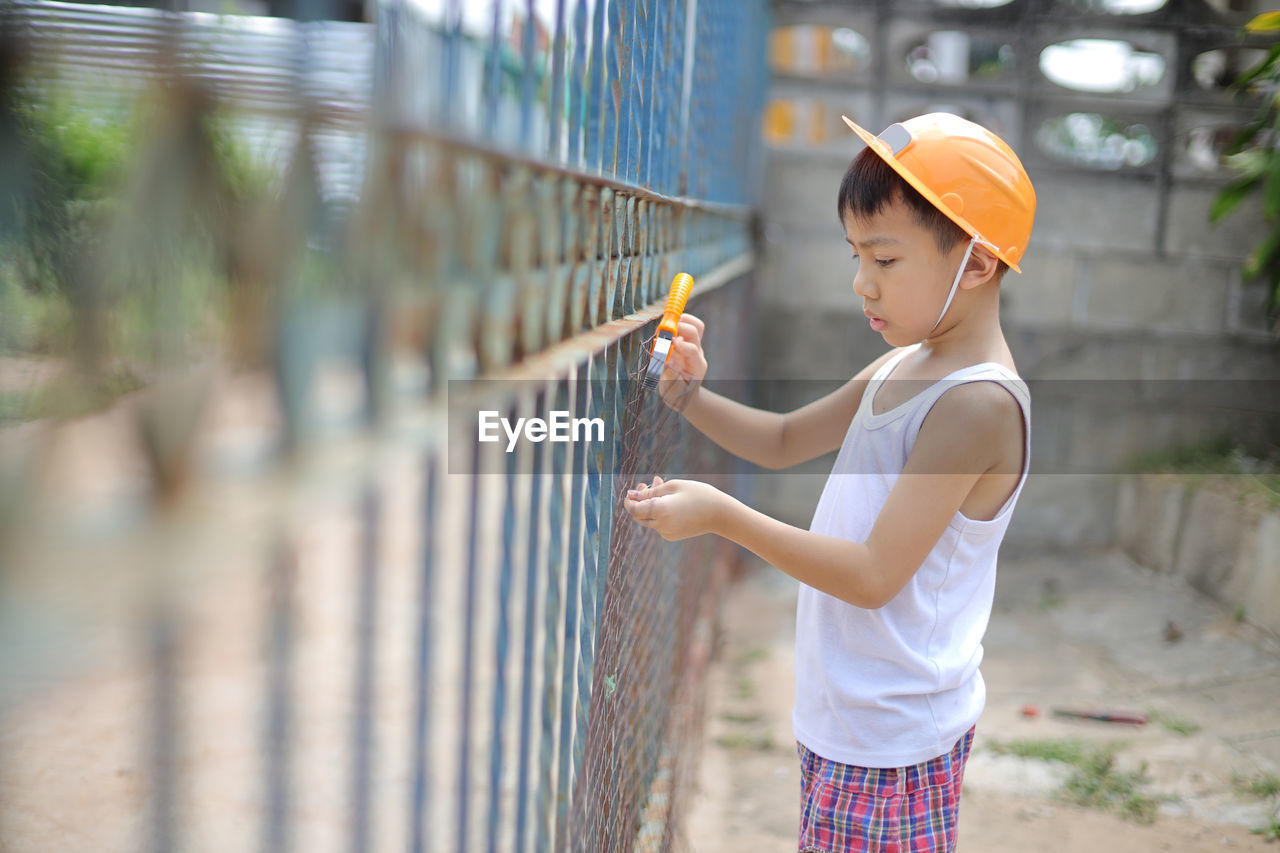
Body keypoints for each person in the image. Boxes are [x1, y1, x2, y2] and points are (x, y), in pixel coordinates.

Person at [622, 112, 1036, 853]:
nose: (860, 283)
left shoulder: (975, 404)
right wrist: (687, 396)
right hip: (851, 715)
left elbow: (875, 574)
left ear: (975, 264)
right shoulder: (902, 365)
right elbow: (784, 440)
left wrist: (723, 515)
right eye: (855, 255)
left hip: (893, 736)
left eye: (884, 260)